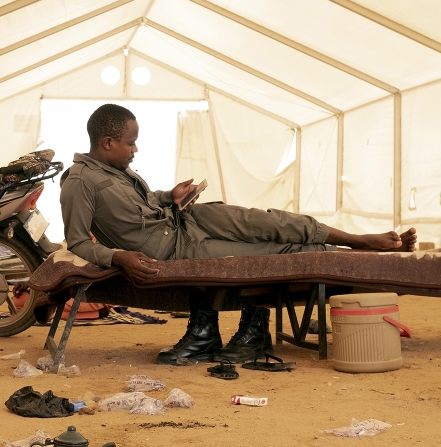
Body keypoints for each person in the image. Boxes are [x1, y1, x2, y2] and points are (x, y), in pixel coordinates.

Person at [60, 103, 417, 365]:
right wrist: (116, 256)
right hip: (177, 248)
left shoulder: (118, 169)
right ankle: (368, 254)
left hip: (188, 220)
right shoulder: (79, 183)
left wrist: (171, 196)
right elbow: (77, 241)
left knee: (267, 221)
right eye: (130, 142)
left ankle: (359, 240)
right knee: (269, 253)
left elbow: (142, 202)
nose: (135, 149)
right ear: (107, 142)